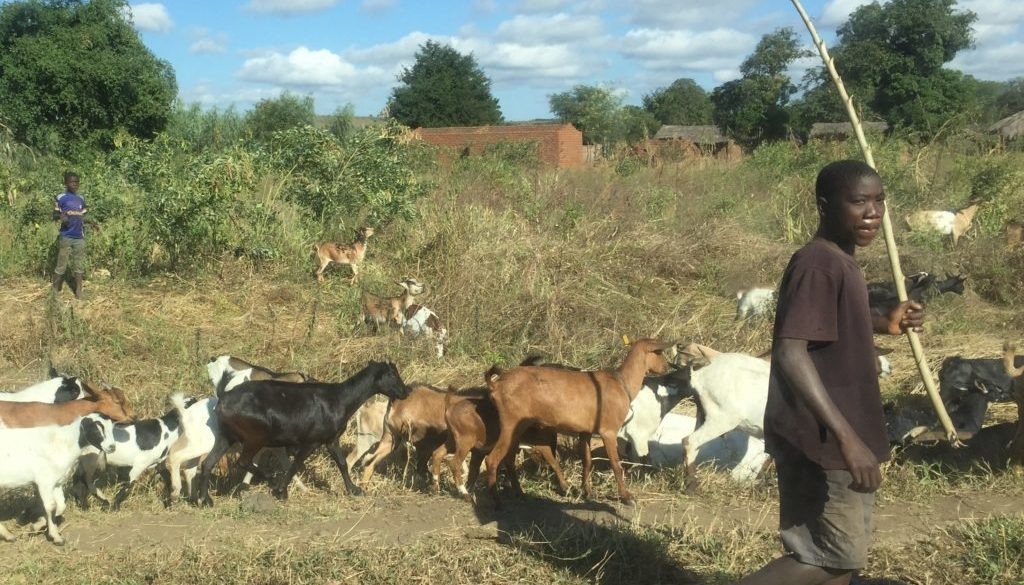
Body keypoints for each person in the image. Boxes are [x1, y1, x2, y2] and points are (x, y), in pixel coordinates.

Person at [733, 160, 925, 585]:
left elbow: (828, 325)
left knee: (841, 560)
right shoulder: (817, 264)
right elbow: (790, 352)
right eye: (859, 202)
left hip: (838, 432)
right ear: (825, 206)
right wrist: (848, 439)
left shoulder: (839, 261)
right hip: (823, 437)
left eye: (879, 201)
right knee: (826, 558)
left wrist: (885, 321)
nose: (873, 213)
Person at [52, 170, 88, 299]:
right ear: (66, 183)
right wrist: (61, 216)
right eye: (72, 182)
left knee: (78, 265)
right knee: (61, 265)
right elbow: (55, 215)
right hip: (66, 236)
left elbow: (83, 216)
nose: (75, 184)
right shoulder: (61, 197)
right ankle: (54, 291)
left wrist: (92, 222)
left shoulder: (81, 199)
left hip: (79, 237)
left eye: (77, 182)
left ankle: (78, 291)